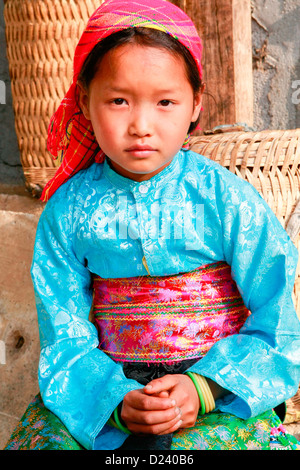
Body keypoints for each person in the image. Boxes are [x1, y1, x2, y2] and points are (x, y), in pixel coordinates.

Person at [5, 0, 300, 451]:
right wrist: (115, 400)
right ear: (84, 99)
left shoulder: (226, 198)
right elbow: (64, 335)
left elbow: (277, 320)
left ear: (195, 103)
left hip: (218, 390)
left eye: (165, 102)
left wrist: (203, 388)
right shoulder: (67, 212)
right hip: (109, 391)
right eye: (119, 100)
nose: (141, 125)